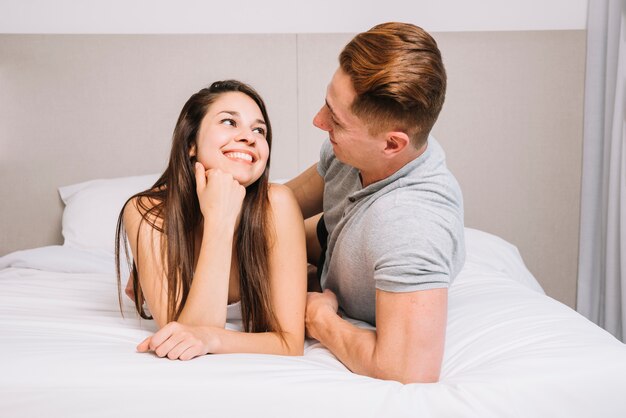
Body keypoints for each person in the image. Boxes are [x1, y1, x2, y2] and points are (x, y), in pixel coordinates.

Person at [286, 22, 465, 383]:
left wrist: (319, 320)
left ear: (392, 144)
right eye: (327, 104)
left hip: (368, 248)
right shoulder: (352, 152)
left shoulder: (409, 226)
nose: (319, 122)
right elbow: (281, 203)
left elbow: (408, 371)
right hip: (335, 241)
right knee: (265, 231)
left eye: (335, 120)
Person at [116, 80, 307, 359]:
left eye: (259, 130)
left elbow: (290, 344)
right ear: (191, 143)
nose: (249, 137)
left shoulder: (277, 204)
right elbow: (183, 335)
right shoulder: (147, 210)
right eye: (229, 122)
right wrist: (219, 218)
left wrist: (213, 339)